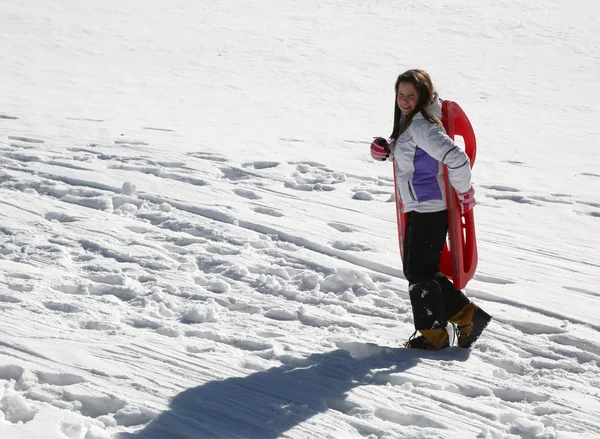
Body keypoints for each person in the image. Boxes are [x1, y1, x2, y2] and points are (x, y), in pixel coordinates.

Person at [370, 69, 491, 351]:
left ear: (422, 95)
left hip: (429, 207)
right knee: (422, 270)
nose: (404, 100)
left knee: (417, 272)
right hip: (420, 205)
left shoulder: (422, 125)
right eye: (400, 94)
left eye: (411, 95)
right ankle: (466, 317)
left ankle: (435, 333)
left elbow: (456, 158)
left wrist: (464, 192)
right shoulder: (413, 122)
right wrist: (390, 148)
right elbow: (416, 152)